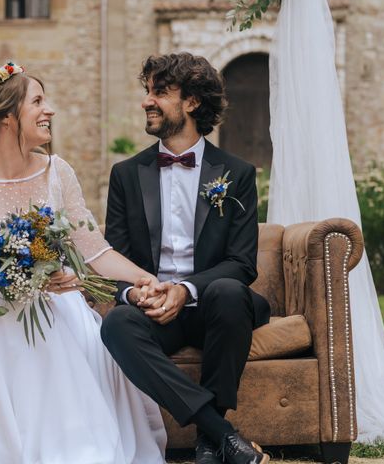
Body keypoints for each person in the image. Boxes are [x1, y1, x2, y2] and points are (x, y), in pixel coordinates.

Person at [0, 63, 166, 464]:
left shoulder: (56, 171)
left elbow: (93, 249)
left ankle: (70, 446)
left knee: (62, 308)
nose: (51, 110)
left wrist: (145, 276)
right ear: (8, 116)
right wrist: (40, 281)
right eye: (38, 101)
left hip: (56, 295)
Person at [101, 53, 272, 464]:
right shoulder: (126, 174)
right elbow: (114, 260)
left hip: (214, 304)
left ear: (192, 102)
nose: (147, 101)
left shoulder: (237, 173)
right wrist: (136, 295)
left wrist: (185, 289)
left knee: (230, 292)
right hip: (156, 312)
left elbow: (242, 262)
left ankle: (211, 441)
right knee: (116, 325)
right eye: (147, 91)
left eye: (160, 92)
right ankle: (219, 435)